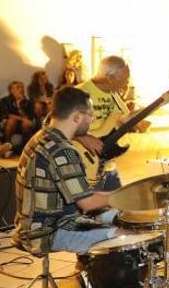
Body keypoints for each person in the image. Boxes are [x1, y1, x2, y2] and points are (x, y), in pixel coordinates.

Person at [12, 87, 118, 255]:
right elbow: (87, 203)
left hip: (29, 224)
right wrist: (129, 195)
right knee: (124, 236)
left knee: (114, 215)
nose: (92, 119)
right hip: (46, 232)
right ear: (77, 117)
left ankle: (86, 272)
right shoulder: (61, 150)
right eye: (90, 115)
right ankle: (100, 275)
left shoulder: (41, 136)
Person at [76, 56, 148, 191]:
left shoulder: (114, 95)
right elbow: (54, 126)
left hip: (108, 164)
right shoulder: (80, 93)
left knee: (117, 206)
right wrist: (85, 138)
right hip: (86, 164)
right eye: (124, 79)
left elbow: (123, 119)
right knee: (91, 208)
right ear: (109, 77)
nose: (126, 84)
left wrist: (142, 117)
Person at [0, 81, 38, 147]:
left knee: (26, 124)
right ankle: (7, 144)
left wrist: (20, 105)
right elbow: (6, 114)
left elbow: (29, 116)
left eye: (22, 87)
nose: (21, 89)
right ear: (11, 90)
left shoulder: (27, 102)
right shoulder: (5, 100)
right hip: (6, 123)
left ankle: (25, 146)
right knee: (12, 121)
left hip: (20, 124)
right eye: (18, 87)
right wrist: (22, 118)